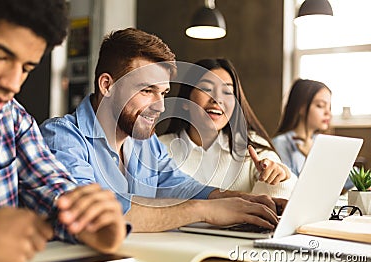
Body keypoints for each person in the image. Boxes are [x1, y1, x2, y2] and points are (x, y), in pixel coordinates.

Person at [40, 28, 286, 234]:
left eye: (163, 93)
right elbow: (92, 216)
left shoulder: (144, 142)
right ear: (107, 85)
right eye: (147, 90)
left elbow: (178, 185)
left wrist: (242, 200)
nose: (159, 106)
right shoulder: (62, 138)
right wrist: (204, 212)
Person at [0, 1, 126, 262]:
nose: (12, 84)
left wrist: (91, 221)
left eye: (26, 68)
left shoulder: (10, 119)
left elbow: (53, 187)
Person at [158, 58, 297, 199]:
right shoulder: (159, 148)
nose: (217, 99)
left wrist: (280, 177)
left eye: (227, 91)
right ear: (185, 101)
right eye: (206, 89)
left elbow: (274, 204)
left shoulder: (252, 146)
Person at [272, 78, 332, 176]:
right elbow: (288, 186)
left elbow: (347, 177)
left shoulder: (323, 142)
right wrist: (312, 157)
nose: (328, 113)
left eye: (329, 107)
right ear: (301, 107)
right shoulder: (280, 144)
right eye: (320, 105)